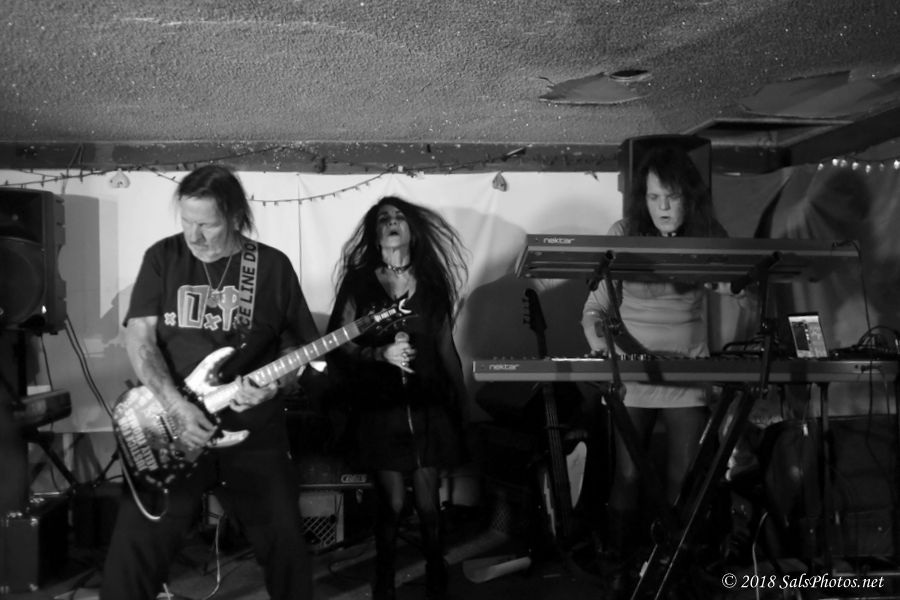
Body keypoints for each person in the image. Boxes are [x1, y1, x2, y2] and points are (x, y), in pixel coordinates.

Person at [101, 165, 319, 600]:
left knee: (285, 543)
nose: (194, 236)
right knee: (137, 544)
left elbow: (297, 348)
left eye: (207, 225)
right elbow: (140, 338)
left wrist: (277, 384)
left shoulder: (271, 267)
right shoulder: (163, 257)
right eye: (187, 222)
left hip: (253, 429)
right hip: (173, 425)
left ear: (236, 218)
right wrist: (176, 406)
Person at [581, 145, 734, 594]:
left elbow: (741, 289)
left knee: (683, 479)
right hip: (634, 375)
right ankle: (617, 562)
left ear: (690, 196)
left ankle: (670, 565)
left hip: (688, 374)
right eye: (653, 198)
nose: (663, 207)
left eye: (672, 196)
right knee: (629, 474)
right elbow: (594, 309)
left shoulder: (709, 234)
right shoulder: (624, 233)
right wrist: (607, 353)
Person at [327, 196, 468, 600]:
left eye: (399, 217)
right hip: (380, 409)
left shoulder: (432, 284)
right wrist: (379, 354)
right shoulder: (360, 283)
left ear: (412, 231)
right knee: (390, 503)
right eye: (384, 219)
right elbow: (340, 342)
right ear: (376, 234)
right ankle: (384, 580)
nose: (392, 222)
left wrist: (462, 401)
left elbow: (446, 348)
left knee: (428, 503)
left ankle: (436, 574)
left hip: (426, 407)